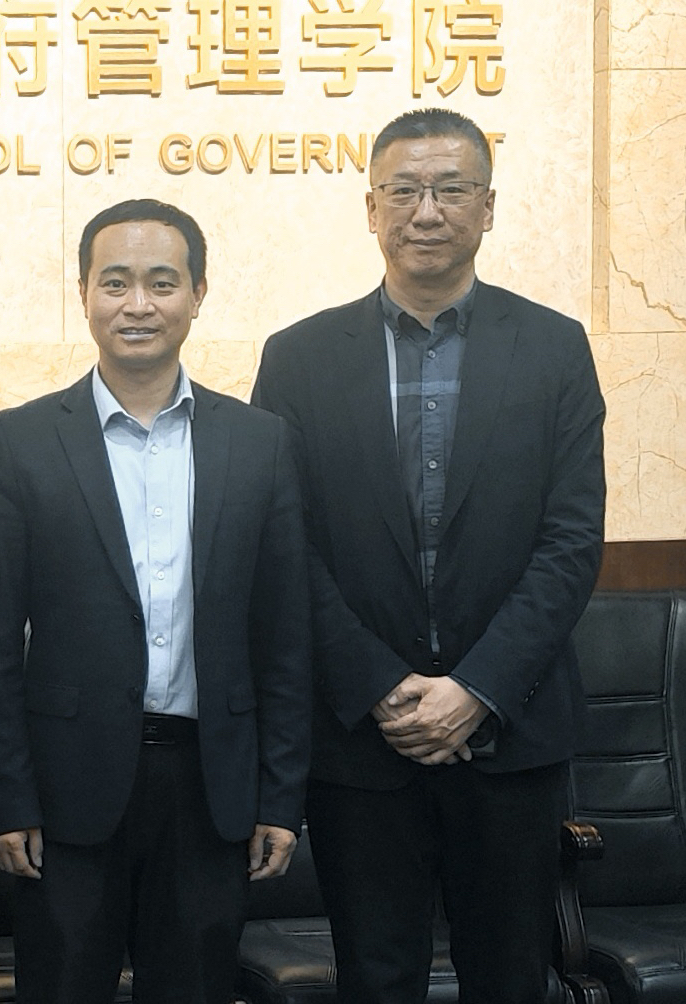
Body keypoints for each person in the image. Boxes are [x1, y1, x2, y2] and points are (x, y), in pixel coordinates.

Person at [252, 109, 605, 1004]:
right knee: (375, 978)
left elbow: (571, 542)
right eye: (404, 190)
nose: (427, 211)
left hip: (511, 730)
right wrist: (382, 685)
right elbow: (284, 547)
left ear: (488, 207)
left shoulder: (554, 348)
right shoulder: (298, 359)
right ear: (371, 209)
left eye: (451, 189)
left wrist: (476, 689)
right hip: (361, 742)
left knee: (511, 977)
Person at [0, 199, 311, 1004]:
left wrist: (279, 797)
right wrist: (7, 798)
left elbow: (285, 638)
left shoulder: (260, 443)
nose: (138, 304)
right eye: (115, 282)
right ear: (84, 293)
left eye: (162, 282)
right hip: (64, 791)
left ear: (197, 294)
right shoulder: (20, 441)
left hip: (209, 785)